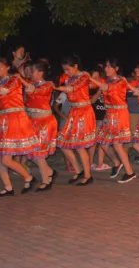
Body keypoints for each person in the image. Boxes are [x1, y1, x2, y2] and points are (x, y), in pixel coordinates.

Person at [0, 57, 39, 196]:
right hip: (2, 120)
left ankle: (29, 177)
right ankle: (8, 187)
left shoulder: (14, 80)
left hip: (15, 119)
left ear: (7, 67)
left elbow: (4, 91)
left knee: (6, 159)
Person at [55, 55, 98, 185]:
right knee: (62, 143)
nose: (66, 72)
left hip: (84, 112)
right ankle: (79, 171)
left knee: (80, 146)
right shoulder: (69, 78)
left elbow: (71, 89)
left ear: (75, 67)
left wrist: (55, 87)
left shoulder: (84, 76)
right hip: (74, 112)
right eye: (64, 70)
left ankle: (88, 175)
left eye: (68, 69)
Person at [23, 59, 58, 190]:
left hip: (44, 123)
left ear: (40, 72)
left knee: (38, 153)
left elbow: (35, 92)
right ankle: (49, 172)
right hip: (32, 122)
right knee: (32, 153)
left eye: (32, 71)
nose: (30, 73)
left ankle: (46, 180)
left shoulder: (48, 85)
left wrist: (20, 80)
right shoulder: (31, 84)